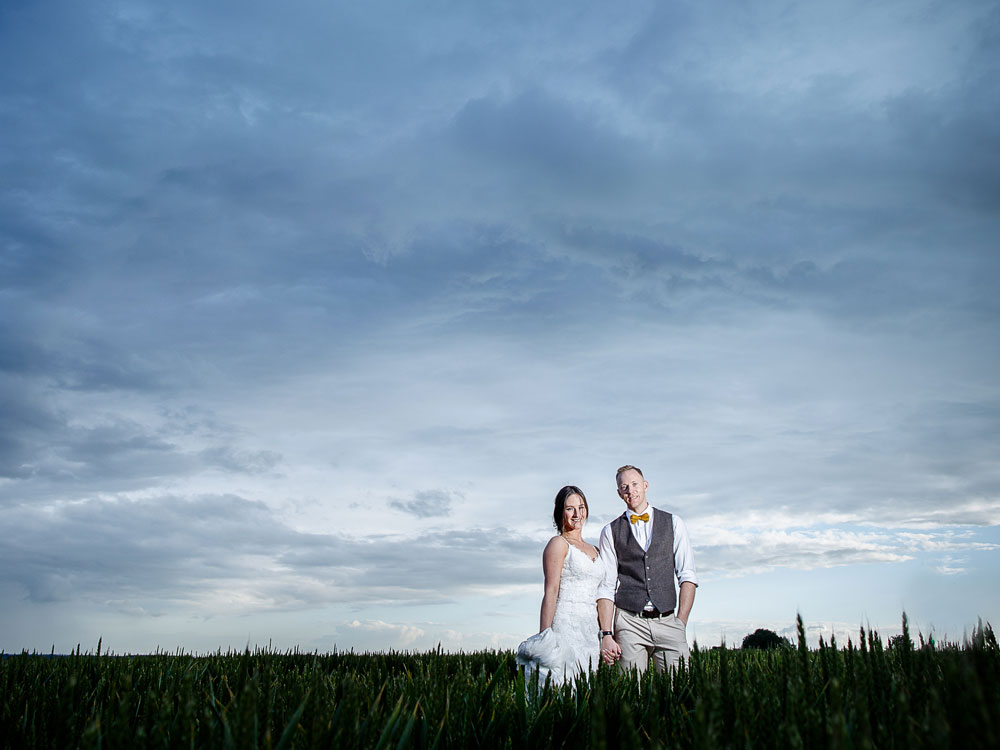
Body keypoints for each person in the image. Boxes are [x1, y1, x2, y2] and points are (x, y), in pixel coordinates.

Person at [597, 465, 698, 673]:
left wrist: (680, 623)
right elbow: (606, 586)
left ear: (645, 485)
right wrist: (606, 633)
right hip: (629, 622)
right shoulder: (610, 531)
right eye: (624, 487)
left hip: (668, 620)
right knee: (630, 689)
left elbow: (687, 576)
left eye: (635, 484)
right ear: (619, 493)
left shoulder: (674, 523)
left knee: (678, 687)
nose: (630, 490)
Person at [516, 485, 605, 685]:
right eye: (570, 509)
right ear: (560, 512)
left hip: (591, 628)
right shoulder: (558, 544)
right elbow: (551, 591)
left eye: (581, 508)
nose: (577, 514)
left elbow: (602, 593)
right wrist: (545, 637)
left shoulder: (596, 549)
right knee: (563, 682)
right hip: (566, 624)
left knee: (587, 684)